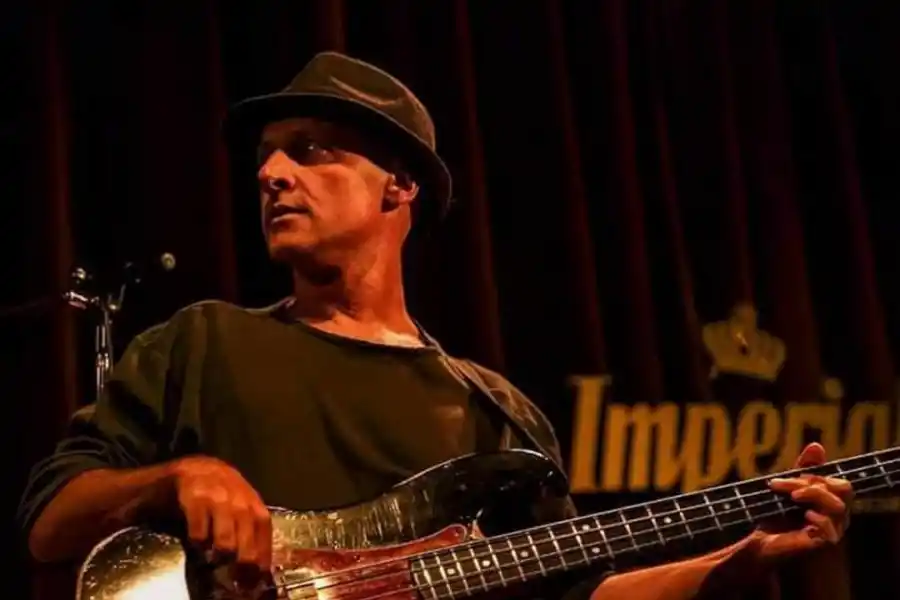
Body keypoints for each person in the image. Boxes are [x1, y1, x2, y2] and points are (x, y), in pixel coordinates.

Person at [18, 52, 853, 600]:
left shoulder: (498, 414)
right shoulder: (201, 342)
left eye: (309, 150)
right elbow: (52, 527)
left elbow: (575, 593)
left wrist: (737, 561)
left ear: (399, 184)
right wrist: (174, 479)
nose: (270, 172)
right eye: (266, 155)